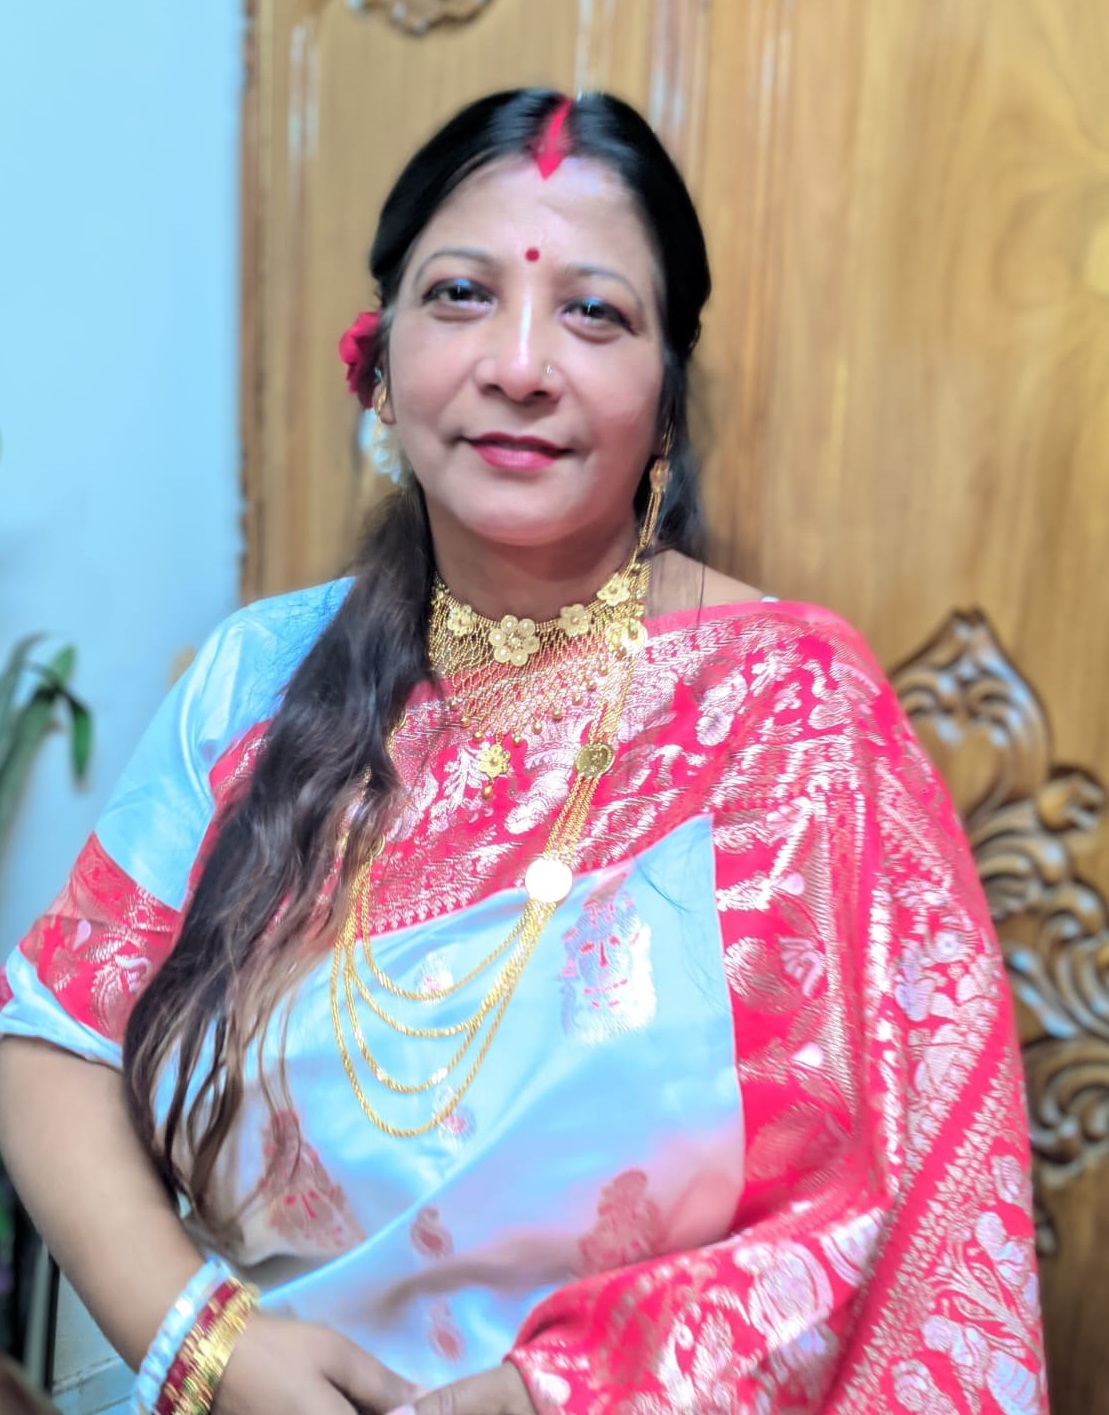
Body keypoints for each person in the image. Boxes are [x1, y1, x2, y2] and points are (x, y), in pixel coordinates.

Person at [0, 88, 1046, 1415]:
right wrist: (207, 1344)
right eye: (460, 295)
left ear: (666, 397)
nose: (520, 363)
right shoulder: (255, 680)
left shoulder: (791, 718)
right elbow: (54, 1036)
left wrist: (546, 1395)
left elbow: (886, 1202)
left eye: (593, 312)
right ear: (379, 366)